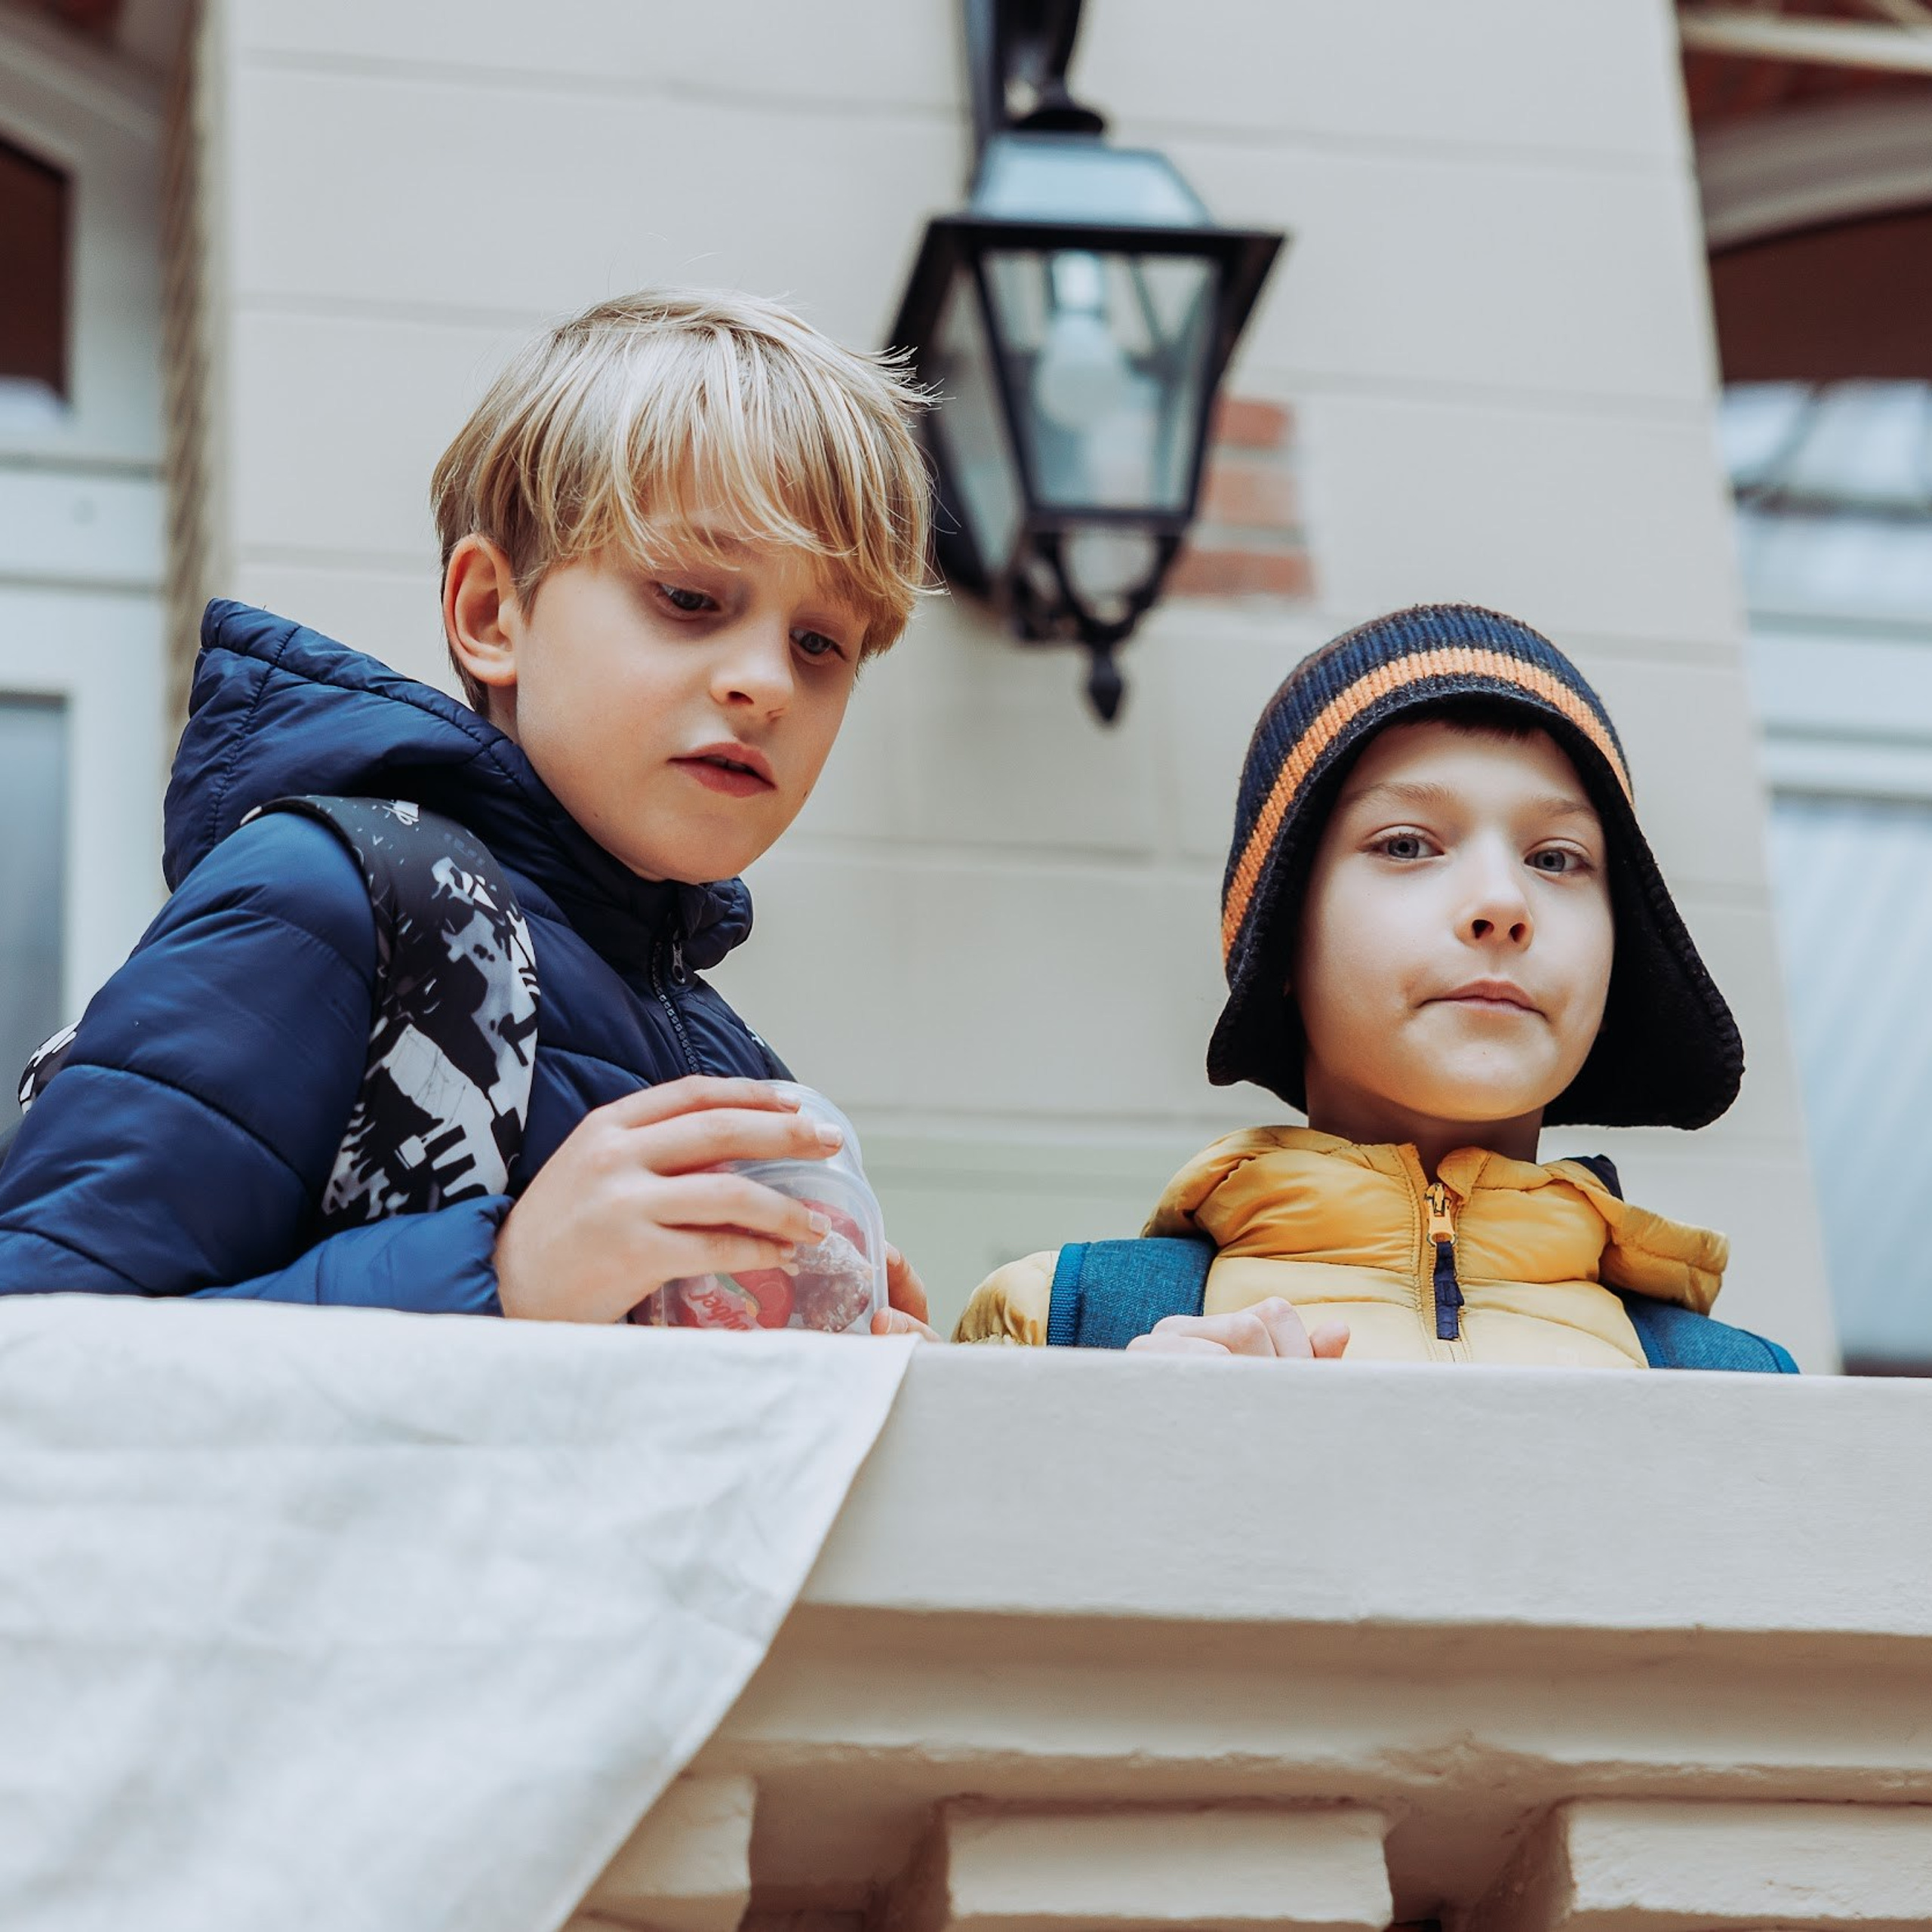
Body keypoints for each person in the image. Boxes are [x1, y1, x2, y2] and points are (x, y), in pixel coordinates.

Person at [0, 289, 934, 1332]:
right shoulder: (327, 902)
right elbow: (37, 1352)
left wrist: (833, 1381)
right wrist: (507, 1276)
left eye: (820, 644)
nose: (763, 680)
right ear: (492, 614)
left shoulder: (731, 1058)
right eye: (690, 598)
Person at [955, 602, 1795, 1370]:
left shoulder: (1751, 1391)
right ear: (1282, 937)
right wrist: (1133, 1461)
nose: (1503, 904)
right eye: (1405, 845)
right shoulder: (1064, 1325)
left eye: (1555, 859)